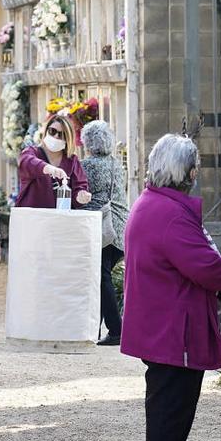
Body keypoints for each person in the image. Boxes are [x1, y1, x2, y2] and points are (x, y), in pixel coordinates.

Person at [120, 134, 221, 441]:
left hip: (162, 332)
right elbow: (206, 267)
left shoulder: (152, 203)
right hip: (174, 337)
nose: (196, 175)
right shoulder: (169, 213)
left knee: (164, 438)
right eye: (194, 168)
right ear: (185, 173)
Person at [80, 121, 128, 346]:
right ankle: (96, 327)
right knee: (102, 275)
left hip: (102, 226)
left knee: (101, 277)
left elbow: (81, 194)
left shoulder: (87, 165)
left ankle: (115, 329)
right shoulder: (116, 164)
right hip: (120, 225)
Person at [16, 114, 92, 208]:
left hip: (58, 219)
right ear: (46, 131)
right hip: (32, 218)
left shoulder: (72, 161)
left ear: (68, 138)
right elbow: (26, 162)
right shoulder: (32, 152)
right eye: (52, 131)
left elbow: (79, 187)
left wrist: (81, 196)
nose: (56, 136)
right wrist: (49, 168)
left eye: (62, 134)